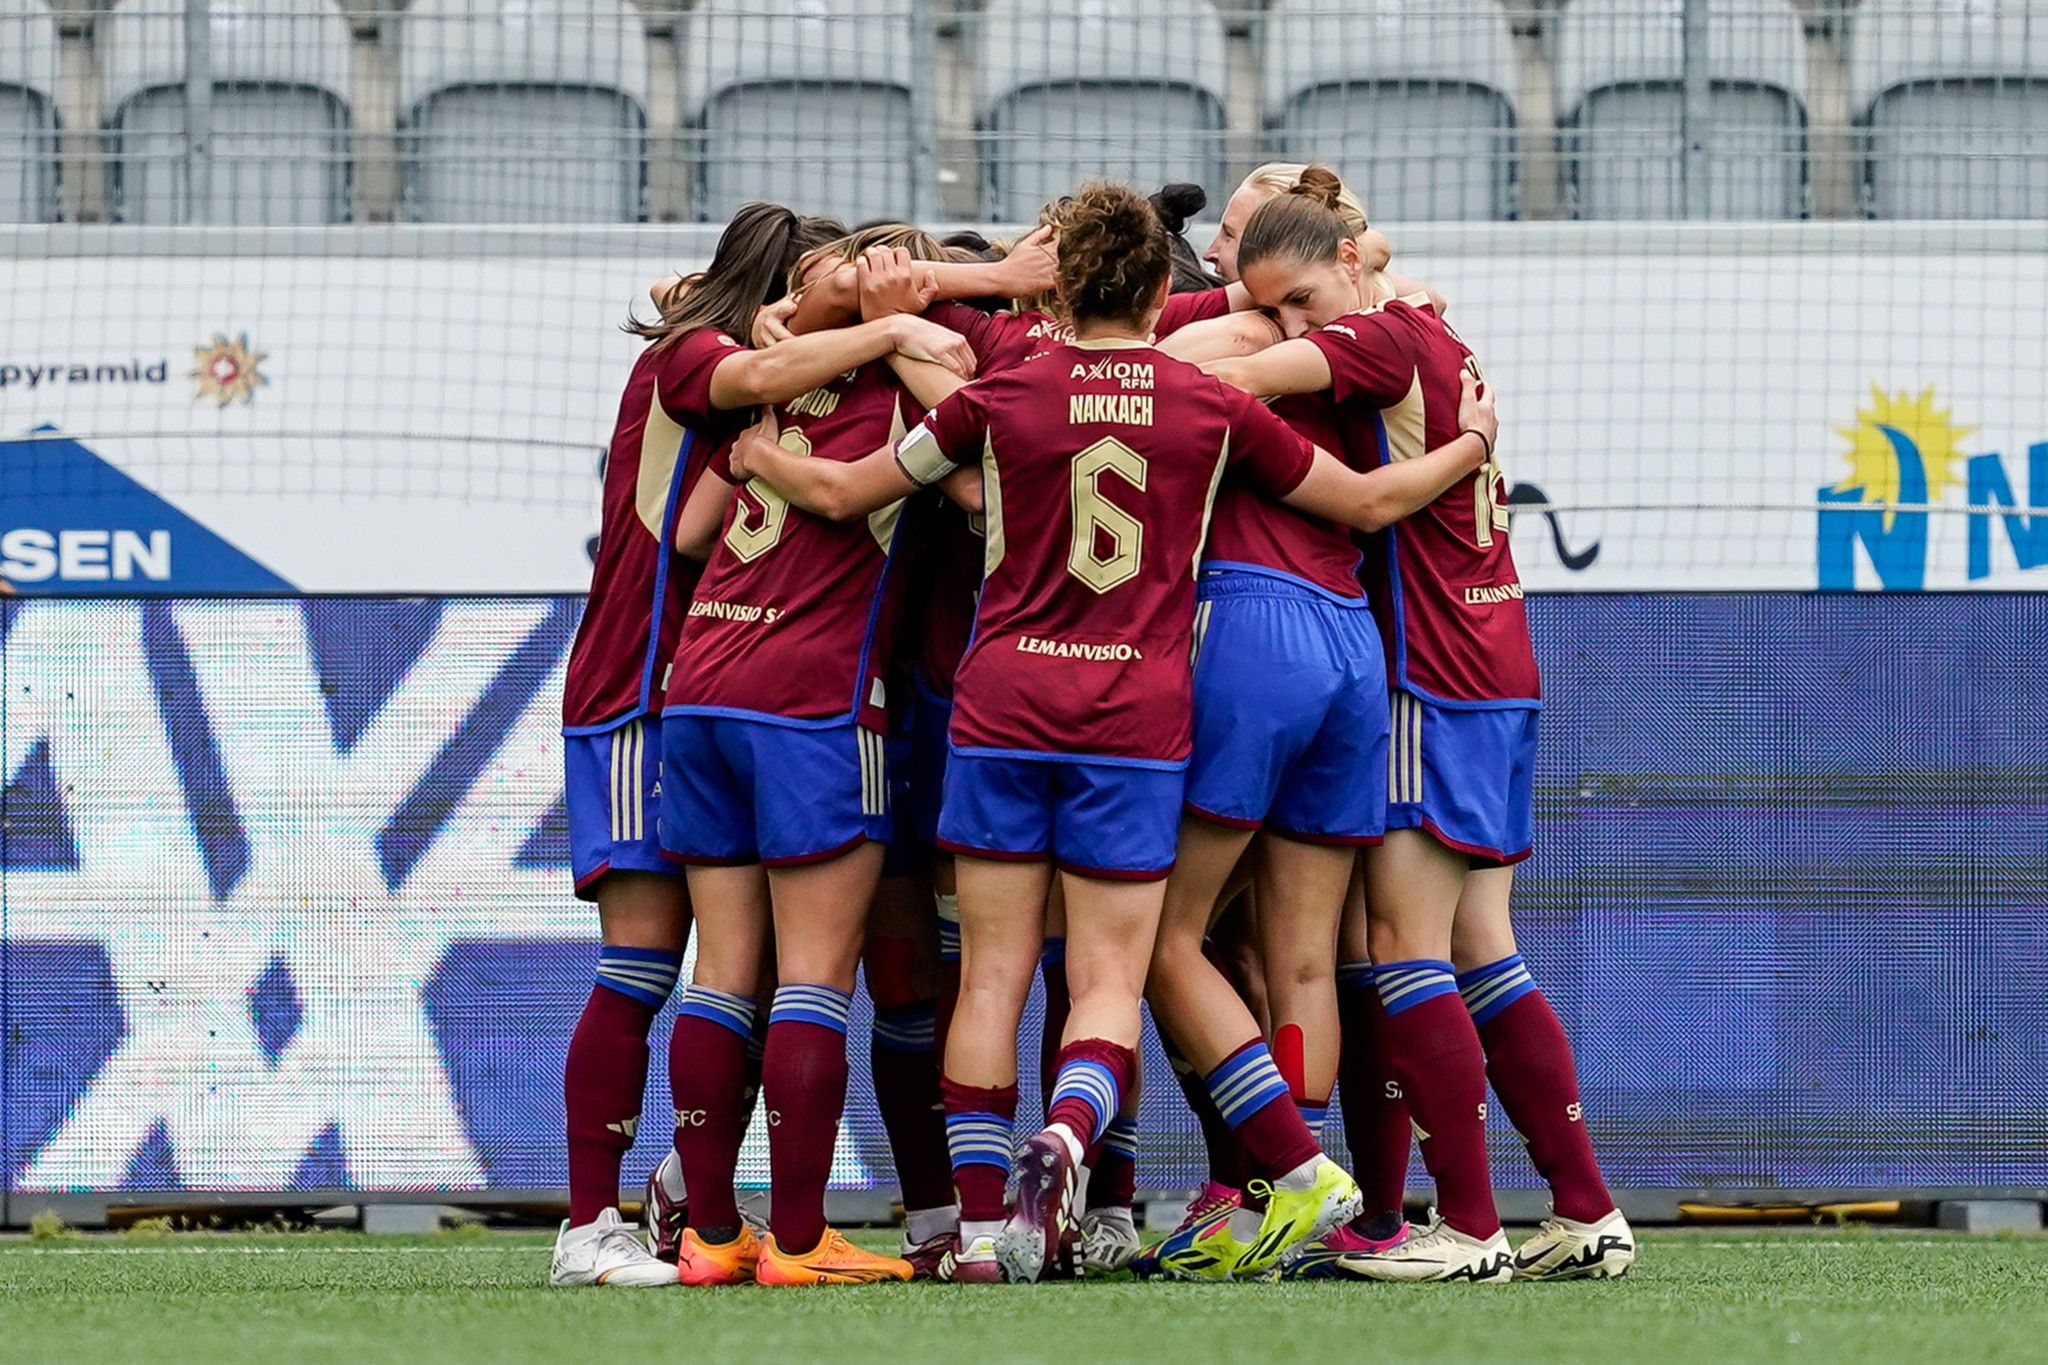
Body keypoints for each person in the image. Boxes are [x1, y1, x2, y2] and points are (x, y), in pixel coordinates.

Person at [728, 181, 1497, 1284]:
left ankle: (988, 1233)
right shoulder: (1204, 399)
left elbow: (851, 493)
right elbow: (1364, 505)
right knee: (1107, 978)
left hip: (998, 712)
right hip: (1134, 721)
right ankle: (1078, 1141)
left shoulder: (997, 392)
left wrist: (761, 460)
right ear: (1157, 289)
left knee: (989, 976)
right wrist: (1467, 450)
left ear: (1059, 282)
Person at [1208, 166, 1630, 1282]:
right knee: (1481, 945)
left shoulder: (1377, 342)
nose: (1294, 323)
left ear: (1346, 261)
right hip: (1497, 661)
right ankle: (1583, 1210)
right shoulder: (1428, 331)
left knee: (1400, 951)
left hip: (1427, 675)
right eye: (1277, 303)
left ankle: (1469, 1226)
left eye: (1299, 295)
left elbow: (1234, 375)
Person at [630, 220, 977, 1289]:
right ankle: (793, 1240)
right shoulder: (900, 379)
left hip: (701, 691)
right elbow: (962, 427)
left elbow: (687, 531)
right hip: (816, 705)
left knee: (722, 973)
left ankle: (710, 1236)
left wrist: (776, 423)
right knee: (816, 980)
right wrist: (901, 333)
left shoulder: (763, 385)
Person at [549, 202, 842, 1289]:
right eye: (823, 282)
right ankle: (588, 1226)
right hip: (637, 688)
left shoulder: (729, 353)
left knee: (744, 969)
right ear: (776, 288)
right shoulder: (696, 357)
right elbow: (701, 492)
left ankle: (684, 1185)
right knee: (639, 964)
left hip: (716, 692)